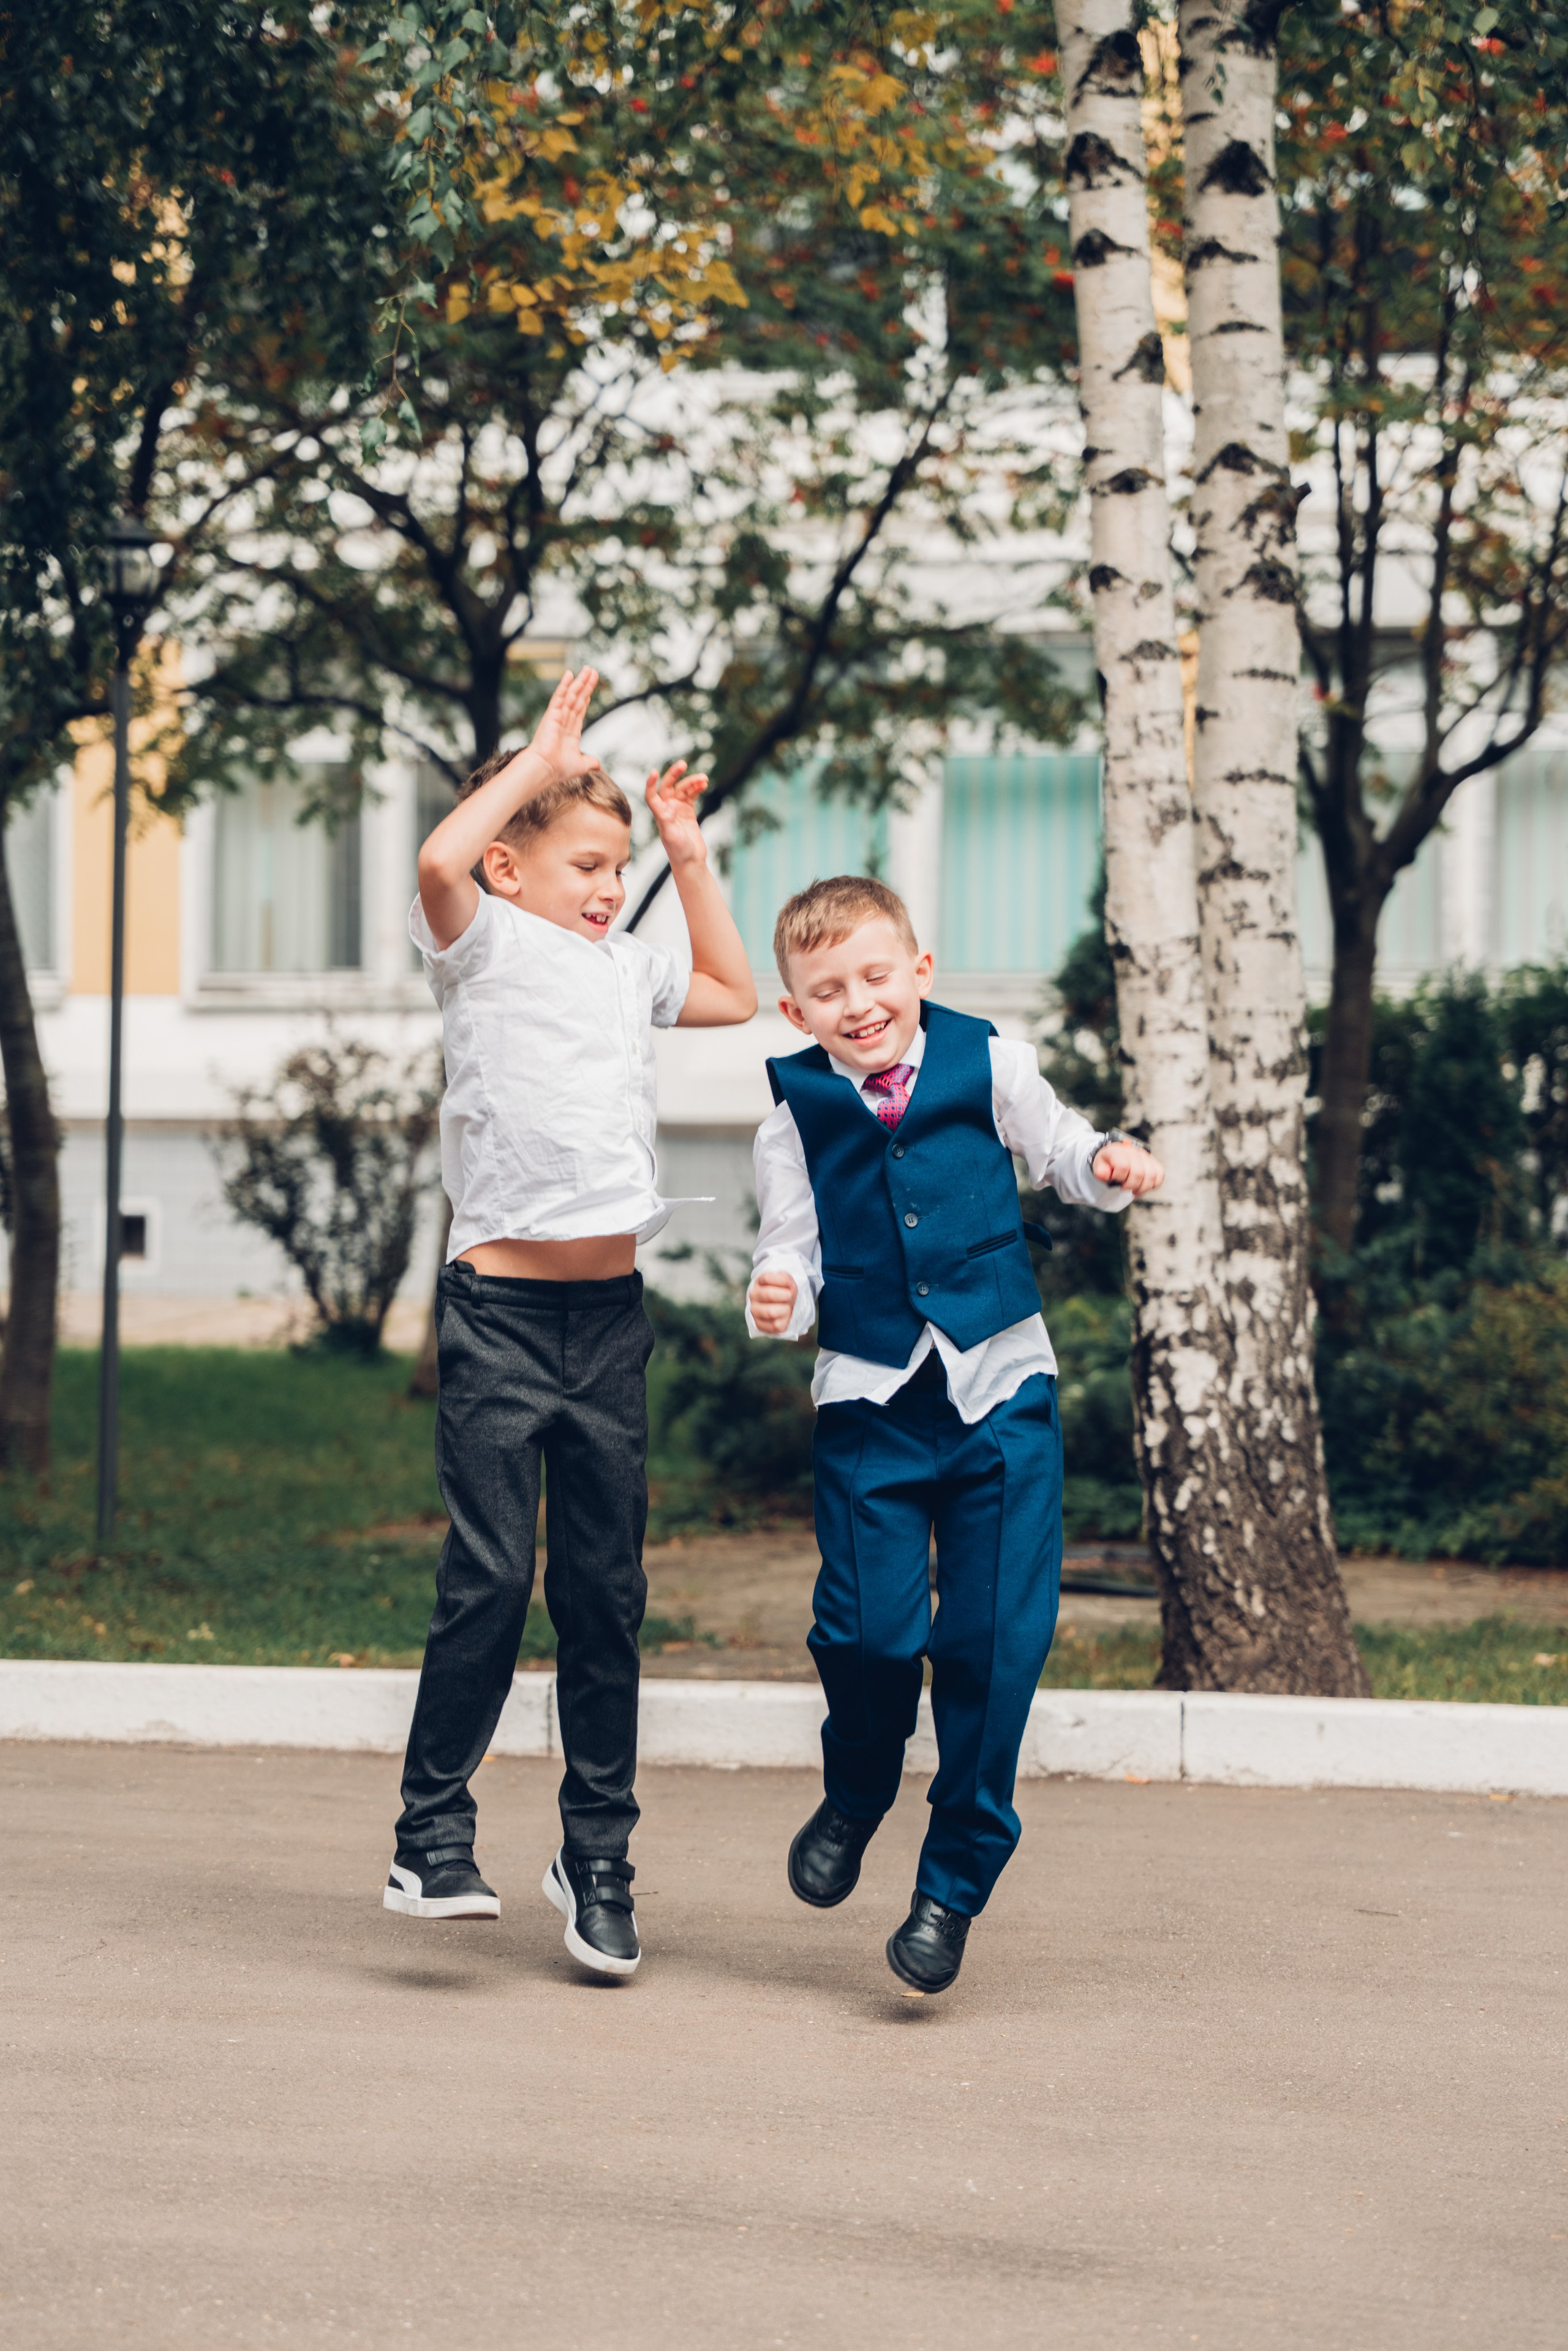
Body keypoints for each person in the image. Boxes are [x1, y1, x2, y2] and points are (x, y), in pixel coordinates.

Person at [383, 667, 756, 1977]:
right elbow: (438, 851)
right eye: (584, 862)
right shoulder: (476, 937)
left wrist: (685, 854)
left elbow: (730, 989)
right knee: (490, 1573)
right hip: (496, 1313)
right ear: (512, 861)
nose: (607, 885)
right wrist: (545, 758)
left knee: (603, 1593)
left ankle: (596, 1858)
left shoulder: (623, 965)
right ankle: (429, 1834)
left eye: (615, 868)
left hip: (605, 1319)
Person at [746, 875, 1163, 1996]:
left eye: (877, 976)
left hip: (1000, 1395)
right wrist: (776, 1287)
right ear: (797, 1013)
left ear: (919, 973)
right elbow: (791, 1241)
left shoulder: (992, 1062)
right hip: (873, 1403)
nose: (859, 1003)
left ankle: (952, 1885)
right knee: (867, 1633)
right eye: (828, 991)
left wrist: (1110, 1164)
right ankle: (860, 1783)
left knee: (992, 1648)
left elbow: (1064, 1151)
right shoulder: (792, 1108)